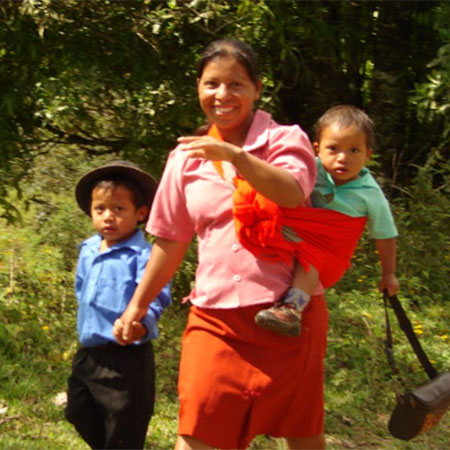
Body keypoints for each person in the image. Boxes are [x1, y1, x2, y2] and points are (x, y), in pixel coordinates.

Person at [113, 38, 327, 450]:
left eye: (236, 84)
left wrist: (235, 156)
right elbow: (171, 239)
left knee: (301, 432)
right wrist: (136, 306)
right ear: (198, 87)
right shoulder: (185, 158)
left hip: (288, 316)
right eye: (212, 84)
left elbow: (290, 190)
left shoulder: (286, 140)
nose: (222, 95)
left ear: (257, 89)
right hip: (215, 320)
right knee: (198, 430)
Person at [255, 105, 399, 336]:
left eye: (354, 150)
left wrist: (388, 273)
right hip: (297, 232)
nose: (343, 158)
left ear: (368, 154)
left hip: (329, 250)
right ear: (317, 149)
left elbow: (385, 234)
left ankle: (292, 309)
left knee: (312, 258)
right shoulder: (310, 169)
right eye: (333, 149)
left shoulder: (370, 193)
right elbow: (282, 183)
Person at [65, 160, 171, 449]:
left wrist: (141, 324)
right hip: (89, 352)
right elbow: (80, 289)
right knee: (77, 409)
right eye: (100, 209)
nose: (108, 217)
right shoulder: (88, 249)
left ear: (140, 214)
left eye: (118, 209)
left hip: (126, 359)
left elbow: (158, 295)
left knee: (123, 426)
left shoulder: (144, 255)